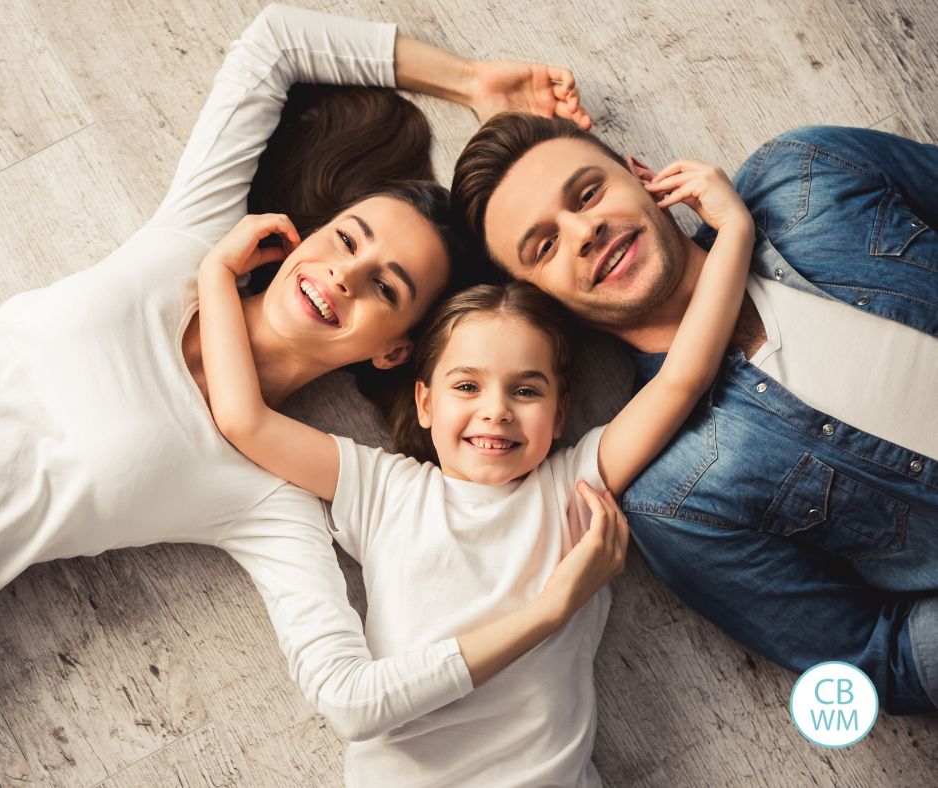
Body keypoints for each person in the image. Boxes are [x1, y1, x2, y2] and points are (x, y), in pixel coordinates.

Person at [0, 4, 605, 742]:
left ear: (394, 352)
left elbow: (352, 700)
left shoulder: (267, 494)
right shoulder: (189, 240)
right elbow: (276, 42)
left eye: (387, 288)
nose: (344, 274)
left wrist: (549, 610)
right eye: (346, 238)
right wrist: (470, 81)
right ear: (306, 234)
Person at [194, 149, 753, 783]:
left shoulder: (573, 488)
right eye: (467, 387)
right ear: (425, 402)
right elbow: (243, 420)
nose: (497, 414)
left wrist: (734, 230)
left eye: (526, 390)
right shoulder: (382, 489)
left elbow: (683, 376)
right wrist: (216, 273)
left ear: (561, 408)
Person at [450, 112, 938, 714]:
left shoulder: (807, 173)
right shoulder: (677, 496)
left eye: (589, 193)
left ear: (641, 176)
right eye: (546, 246)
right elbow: (874, 663)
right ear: (541, 302)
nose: (585, 229)